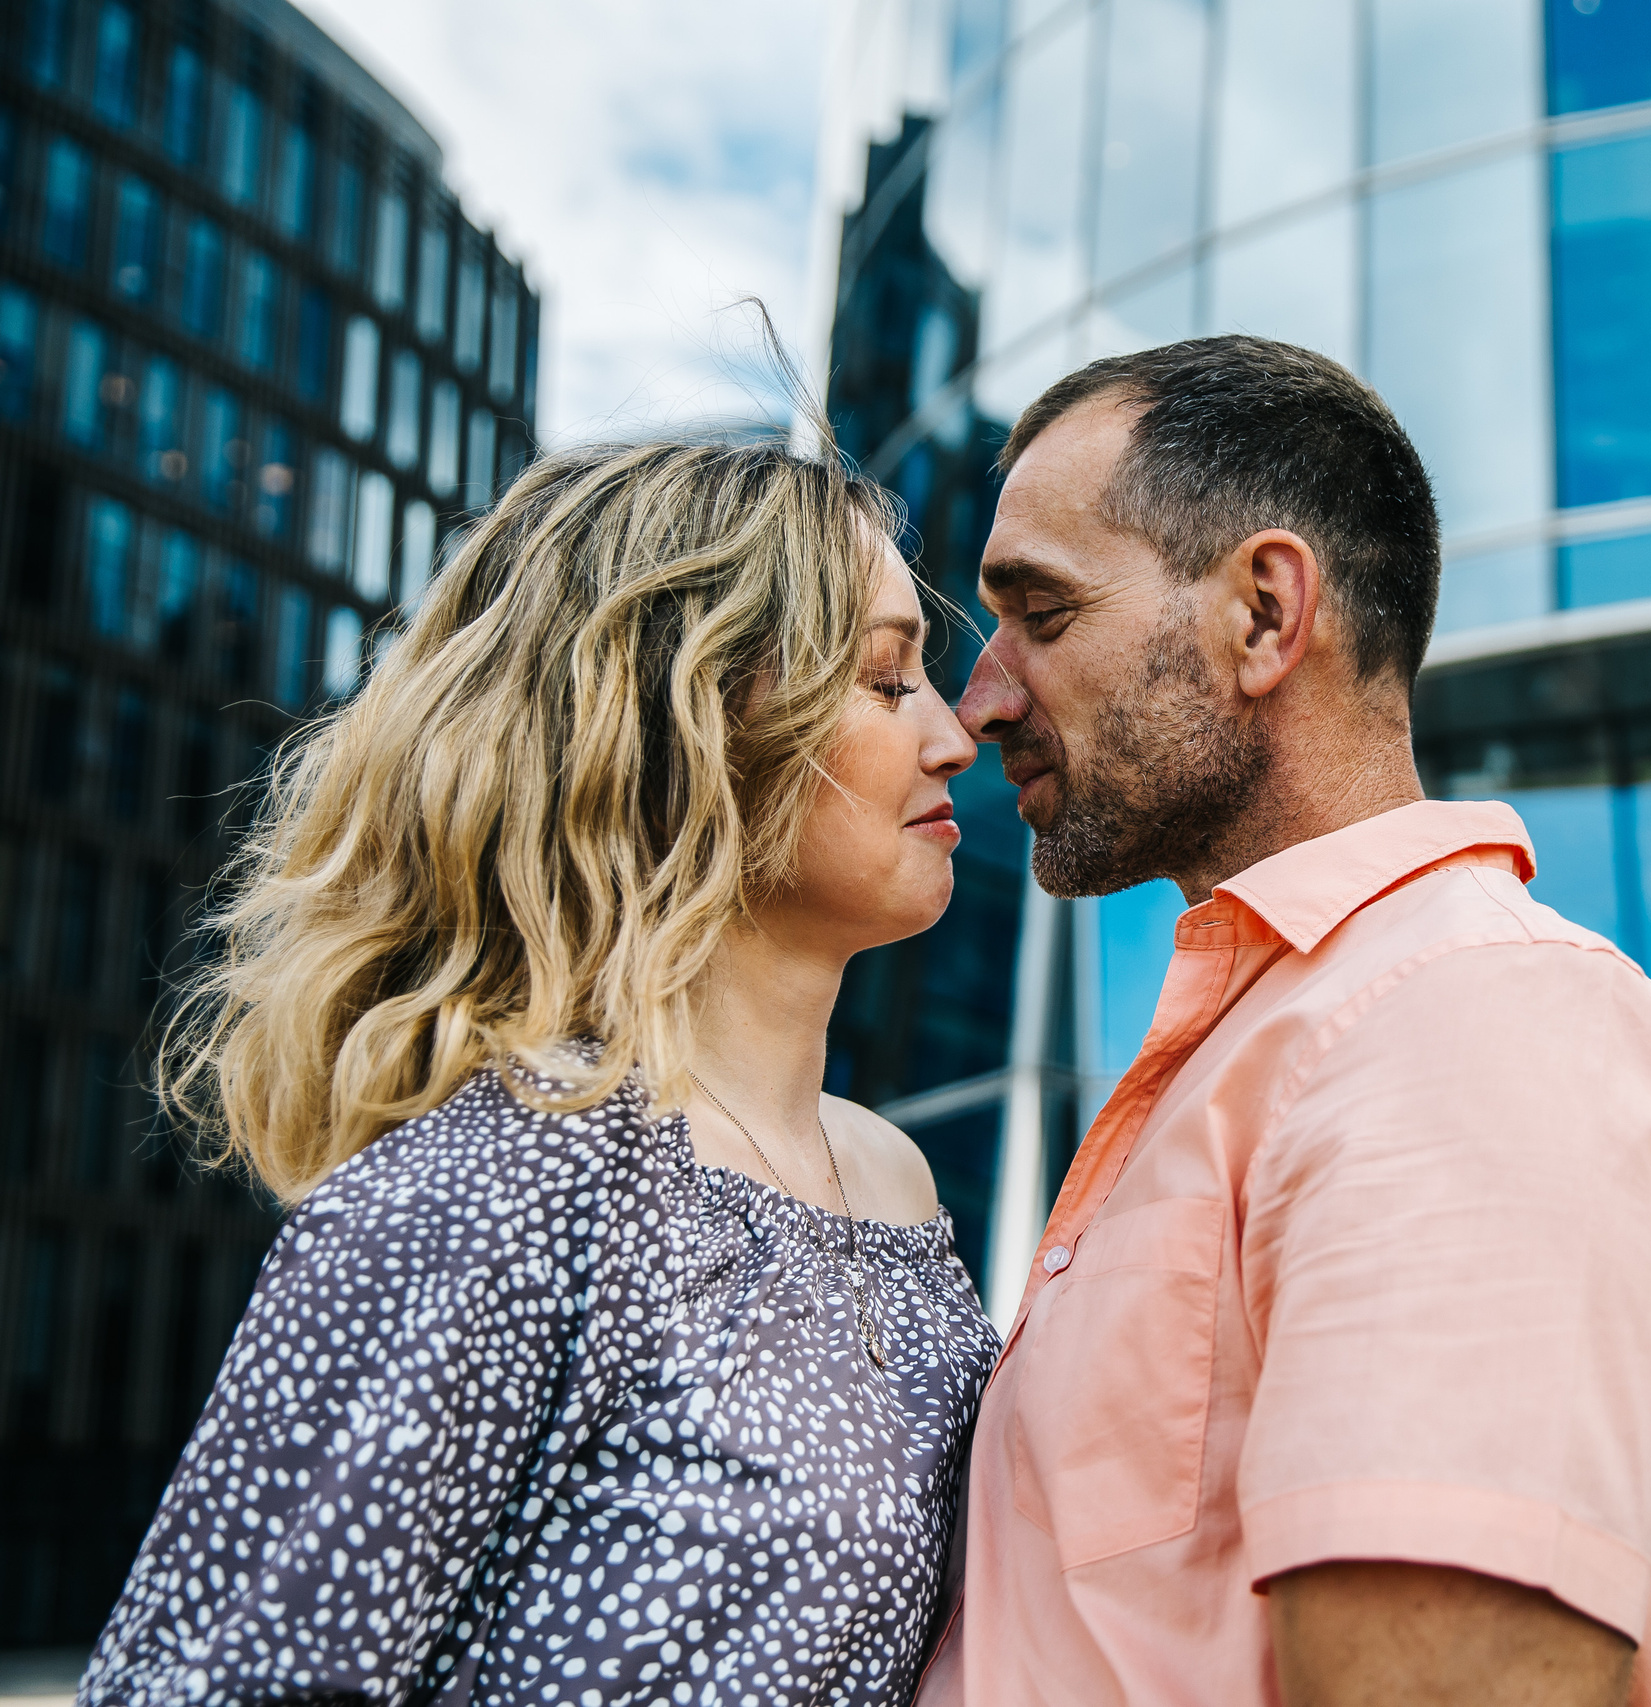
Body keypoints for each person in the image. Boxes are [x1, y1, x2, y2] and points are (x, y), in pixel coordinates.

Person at [919, 336, 1651, 1707]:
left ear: (1265, 613)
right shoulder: (1295, 1040)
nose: (982, 701)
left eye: (1045, 612)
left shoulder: (1471, 1028)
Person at [80, 441, 1000, 1706]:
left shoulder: (893, 1180)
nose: (953, 737)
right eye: (887, 680)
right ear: (682, 726)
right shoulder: (513, 1172)